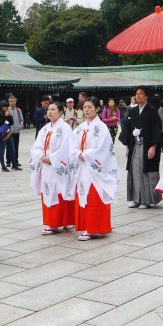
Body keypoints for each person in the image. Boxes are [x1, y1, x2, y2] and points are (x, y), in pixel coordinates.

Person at [70, 97, 118, 240]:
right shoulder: (81, 127)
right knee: (84, 195)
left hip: (95, 168)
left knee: (94, 197)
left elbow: (104, 148)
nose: (86, 109)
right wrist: (77, 153)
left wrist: (87, 155)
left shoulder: (101, 127)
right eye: (84, 107)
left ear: (97, 109)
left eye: (90, 107)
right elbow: (71, 143)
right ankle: (86, 225)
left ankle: (93, 228)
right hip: (83, 166)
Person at [30, 101, 74, 235]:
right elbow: (37, 146)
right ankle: (52, 222)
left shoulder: (65, 128)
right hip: (46, 166)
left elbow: (66, 147)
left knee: (60, 193)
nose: (49, 112)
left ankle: (60, 222)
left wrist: (52, 158)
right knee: (49, 192)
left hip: (57, 165)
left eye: (53, 109)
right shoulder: (45, 128)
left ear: (61, 112)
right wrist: (40, 155)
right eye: (48, 109)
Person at [124, 86, 162, 209]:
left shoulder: (152, 111)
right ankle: (136, 198)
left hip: (147, 145)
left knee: (145, 171)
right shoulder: (132, 111)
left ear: (146, 96)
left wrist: (153, 146)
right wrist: (127, 147)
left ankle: (146, 200)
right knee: (134, 170)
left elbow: (157, 130)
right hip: (135, 145)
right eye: (137, 94)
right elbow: (127, 129)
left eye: (141, 94)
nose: (138, 96)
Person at [0, 100, 15, 171]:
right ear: (1, 106)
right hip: (1, 134)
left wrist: (10, 115)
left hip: (8, 133)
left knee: (12, 149)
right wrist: (5, 116)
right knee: (2, 150)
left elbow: (11, 123)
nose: (5, 108)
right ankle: (2, 166)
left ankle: (14, 164)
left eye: (6, 106)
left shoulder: (7, 112)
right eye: (4, 106)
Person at [7, 94, 24, 170]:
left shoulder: (18, 110)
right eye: (11, 101)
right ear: (9, 102)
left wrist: (21, 126)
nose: (13, 102)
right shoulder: (7, 109)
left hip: (16, 131)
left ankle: (16, 161)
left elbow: (21, 119)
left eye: (14, 101)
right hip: (9, 131)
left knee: (16, 147)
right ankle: (8, 161)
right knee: (8, 147)